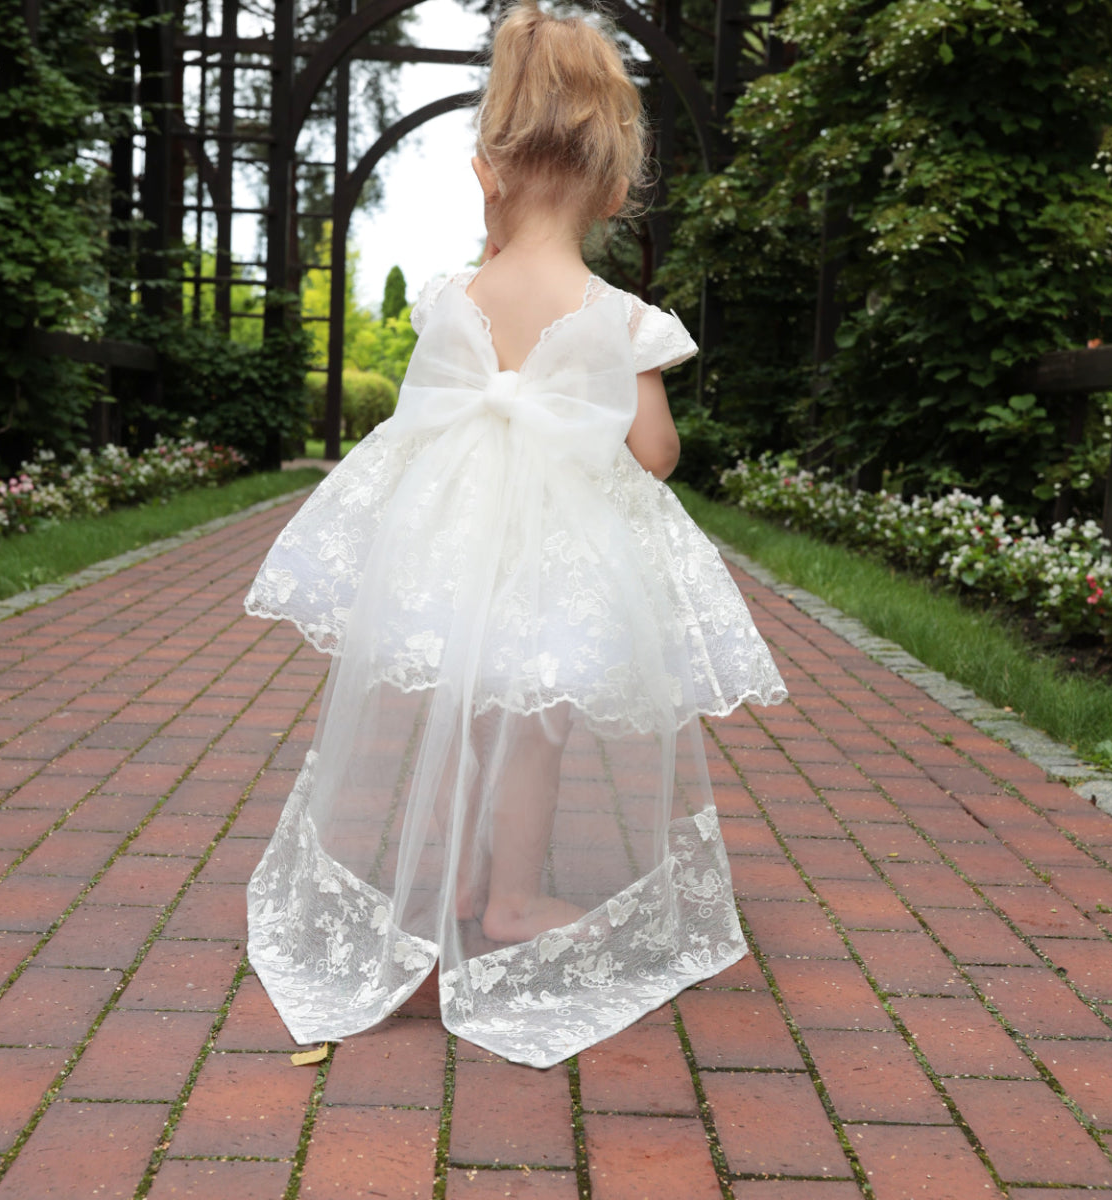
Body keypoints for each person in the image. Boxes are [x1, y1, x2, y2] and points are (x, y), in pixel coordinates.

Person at [243, 0, 787, 1070]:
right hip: (559, 559)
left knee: (464, 711)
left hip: (451, 546)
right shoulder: (620, 313)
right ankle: (512, 895)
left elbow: (422, 417)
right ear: (617, 185)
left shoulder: (456, 290)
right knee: (535, 728)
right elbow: (656, 454)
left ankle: (439, 887)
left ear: (487, 168)